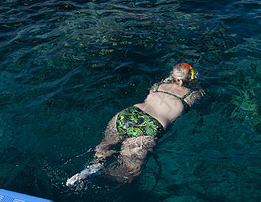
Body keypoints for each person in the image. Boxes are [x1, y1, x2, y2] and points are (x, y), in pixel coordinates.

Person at [66, 63, 205, 186]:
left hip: (126, 115)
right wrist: (197, 84)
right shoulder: (191, 95)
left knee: (103, 148)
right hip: (148, 127)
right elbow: (201, 94)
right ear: (190, 79)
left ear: (172, 76)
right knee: (128, 173)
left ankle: (94, 165)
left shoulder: (158, 86)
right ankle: (100, 174)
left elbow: (168, 81)